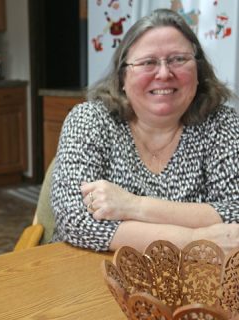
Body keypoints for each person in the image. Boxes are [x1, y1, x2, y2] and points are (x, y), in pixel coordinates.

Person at [51, 9, 239, 253]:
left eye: (178, 59)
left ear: (198, 72)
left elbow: (235, 210)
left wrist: (132, 206)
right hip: (89, 271)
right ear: (122, 78)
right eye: (148, 62)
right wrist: (196, 239)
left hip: (194, 279)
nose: (163, 73)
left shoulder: (222, 123)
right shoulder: (89, 120)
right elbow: (74, 220)